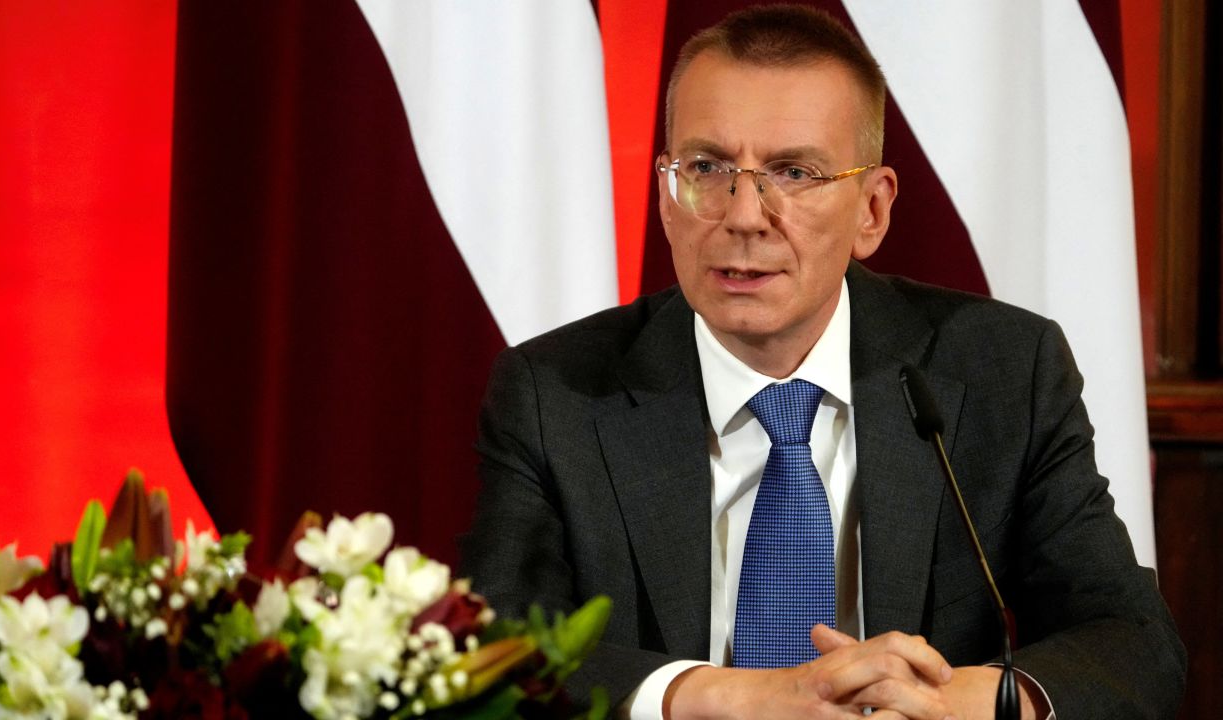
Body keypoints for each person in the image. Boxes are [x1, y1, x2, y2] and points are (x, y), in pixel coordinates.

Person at [460, 5, 1185, 719]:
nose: (744, 215)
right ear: (666, 196)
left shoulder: (1002, 371)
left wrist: (963, 702)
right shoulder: (554, 392)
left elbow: (1132, 642)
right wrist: (728, 698)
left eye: (794, 172)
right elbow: (501, 646)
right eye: (707, 167)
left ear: (872, 210)